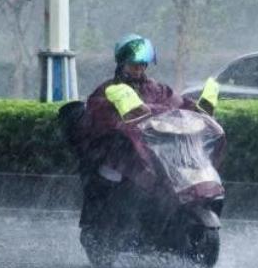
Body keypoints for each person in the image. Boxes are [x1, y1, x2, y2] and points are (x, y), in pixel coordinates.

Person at [71, 33, 218, 229]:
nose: (138, 69)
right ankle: (110, 224)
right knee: (117, 180)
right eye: (133, 65)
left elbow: (179, 104)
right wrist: (122, 121)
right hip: (121, 155)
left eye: (142, 65)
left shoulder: (157, 89)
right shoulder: (108, 90)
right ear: (122, 64)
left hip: (158, 152)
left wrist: (198, 111)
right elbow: (100, 116)